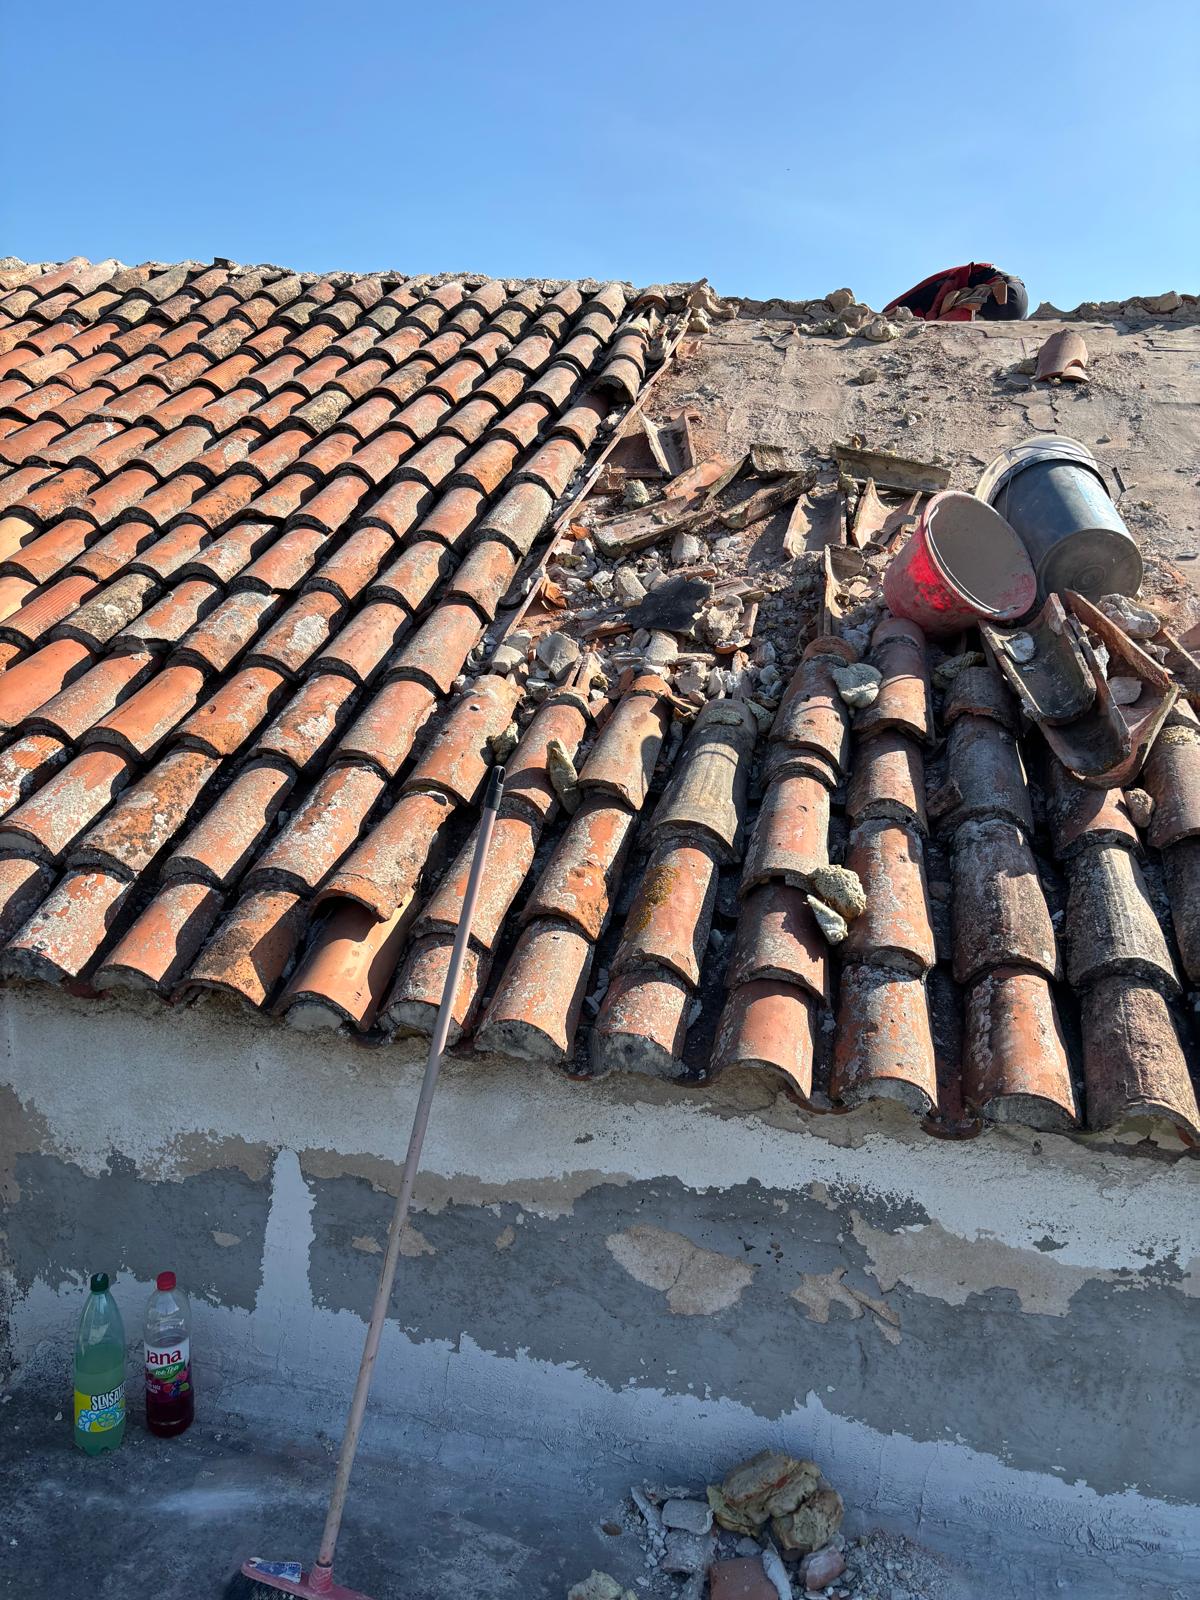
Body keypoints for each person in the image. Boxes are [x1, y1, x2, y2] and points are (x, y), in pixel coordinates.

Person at [884, 264, 1028, 322]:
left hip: (998, 296)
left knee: (939, 322)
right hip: (1019, 305)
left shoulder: (920, 297)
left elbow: (949, 284)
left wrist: (933, 319)